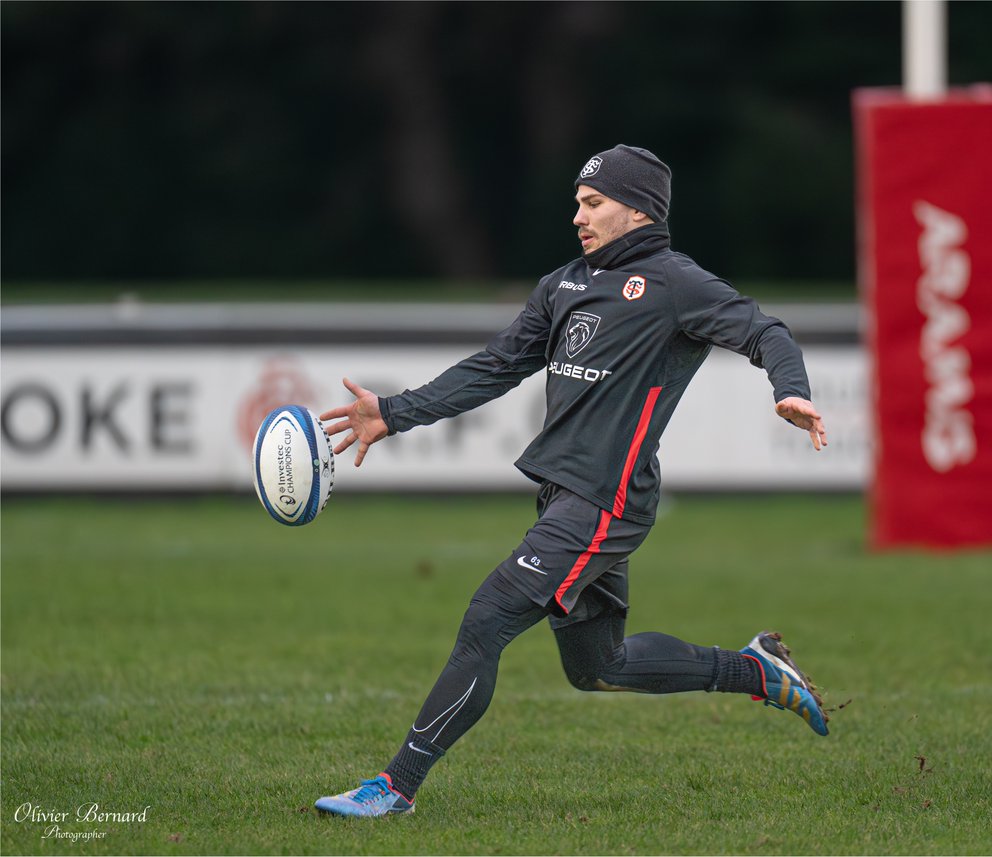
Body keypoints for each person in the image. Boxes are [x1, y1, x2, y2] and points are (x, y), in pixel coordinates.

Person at [314, 144, 831, 818]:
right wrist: (393, 411)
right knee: (598, 667)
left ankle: (394, 785)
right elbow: (497, 366)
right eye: (577, 202)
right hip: (566, 495)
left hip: (605, 501)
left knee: (487, 619)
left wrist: (790, 391)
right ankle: (755, 668)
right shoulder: (562, 284)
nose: (577, 216)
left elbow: (768, 332)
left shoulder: (677, 284)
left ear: (638, 210)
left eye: (593, 203)